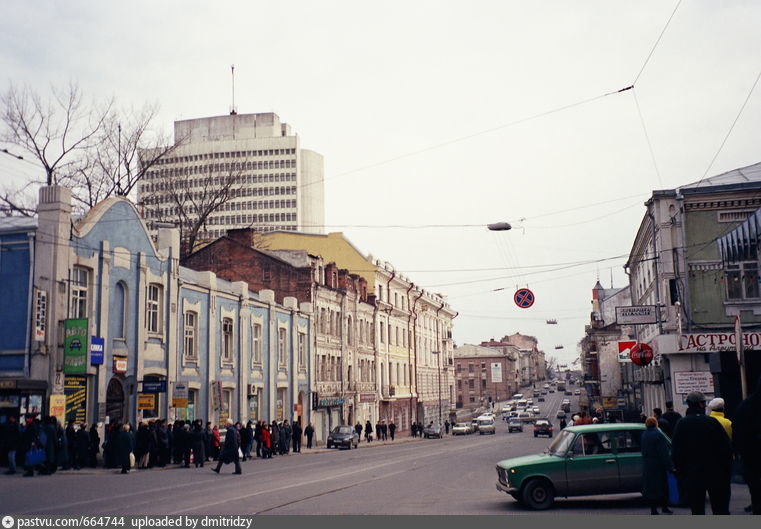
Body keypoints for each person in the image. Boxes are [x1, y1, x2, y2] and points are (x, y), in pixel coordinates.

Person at [671, 391, 732, 514]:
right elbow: (725, 448)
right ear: (700, 404)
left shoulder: (682, 424)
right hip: (715, 472)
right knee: (719, 508)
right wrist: (726, 470)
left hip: (692, 474)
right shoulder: (711, 422)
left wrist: (681, 471)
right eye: (704, 403)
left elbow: (677, 450)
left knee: (697, 509)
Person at [733, 375, 761, 514]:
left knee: (755, 486)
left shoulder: (745, 406)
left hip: (751, 456)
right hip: (751, 454)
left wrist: (740, 453)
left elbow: (738, 433)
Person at [641, 417, 673, 515]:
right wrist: (669, 466)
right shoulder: (659, 434)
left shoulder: (644, 434)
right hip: (659, 464)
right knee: (663, 486)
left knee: (652, 488)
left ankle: (653, 509)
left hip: (648, 464)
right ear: (656, 424)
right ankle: (664, 507)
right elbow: (663, 452)